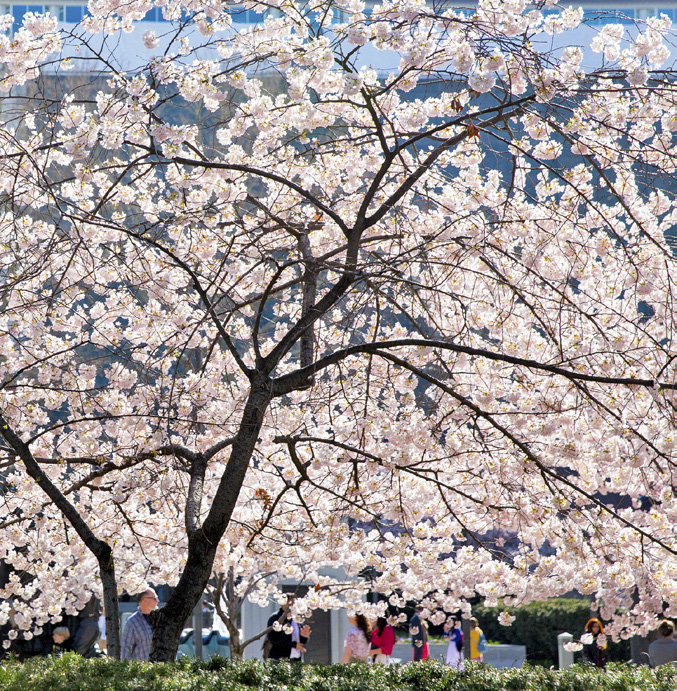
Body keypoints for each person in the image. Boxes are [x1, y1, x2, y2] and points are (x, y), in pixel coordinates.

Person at [266, 597, 311, 662]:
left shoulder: (297, 618)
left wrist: (304, 637)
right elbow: (273, 637)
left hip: (296, 659)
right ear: (282, 603)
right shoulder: (276, 617)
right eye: (289, 603)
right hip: (279, 659)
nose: (291, 606)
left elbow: (300, 641)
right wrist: (293, 645)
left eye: (293, 604)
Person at [121, 588, 159, 661]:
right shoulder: (132, 622)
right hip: (143, 671)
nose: (158, 601)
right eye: (155, 598)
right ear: (145, 600)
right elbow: (126, 650)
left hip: (162, 670)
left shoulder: (161, 618)